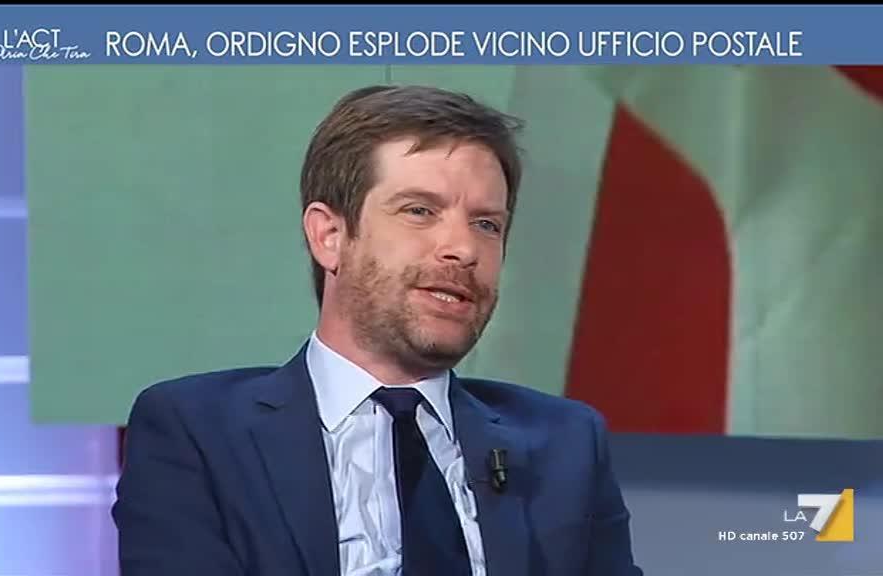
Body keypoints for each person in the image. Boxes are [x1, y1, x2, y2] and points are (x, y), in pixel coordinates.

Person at [112, 84, 644, 576]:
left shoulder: (566, 445)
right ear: (329, 235)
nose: (463, 249)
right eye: (420, 210)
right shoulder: (198, 433)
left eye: (487, 224)